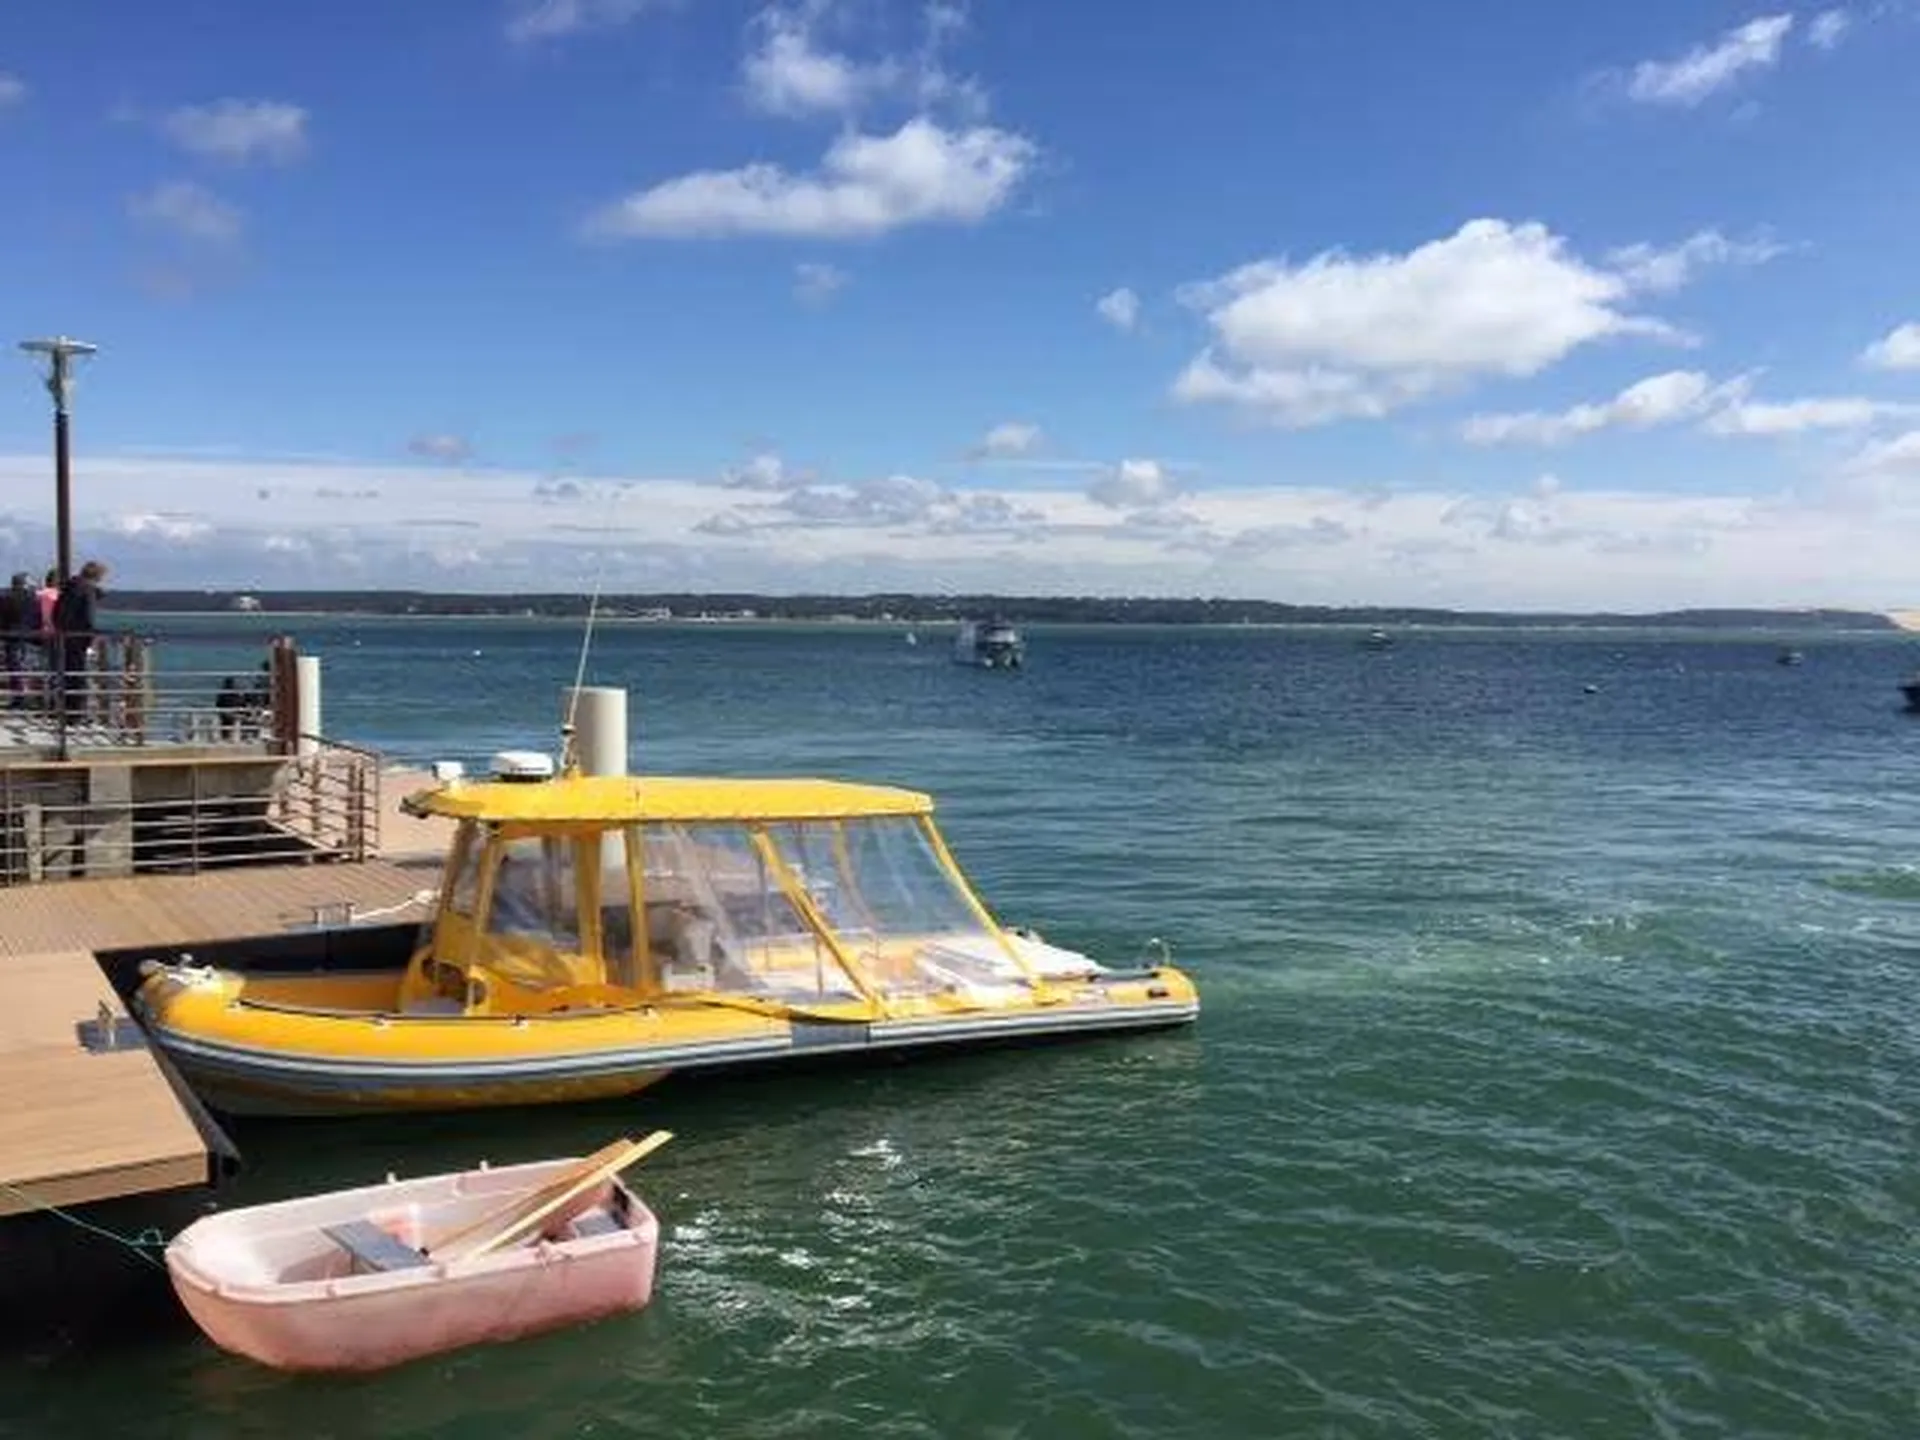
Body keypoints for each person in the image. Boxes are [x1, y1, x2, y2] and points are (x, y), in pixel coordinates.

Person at [53, 560, 108, 723]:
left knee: (68, 675)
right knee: (79, 677)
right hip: (79, 638)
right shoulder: (87, 590)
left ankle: (67, 712)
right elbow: (88, 617)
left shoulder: (68, 588)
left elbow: (56, 613)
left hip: (64, 637)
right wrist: (90, 638)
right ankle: (77, 714)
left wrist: (61, 629)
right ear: (97, 576)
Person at [0, 572, 34, 709]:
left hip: (11, 635)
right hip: (30, 635)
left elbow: (2, 617)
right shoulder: (32, 598)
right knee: (26, 667)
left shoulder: (5, 598)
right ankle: (28, 697)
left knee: (15, 668)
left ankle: (18, 698)